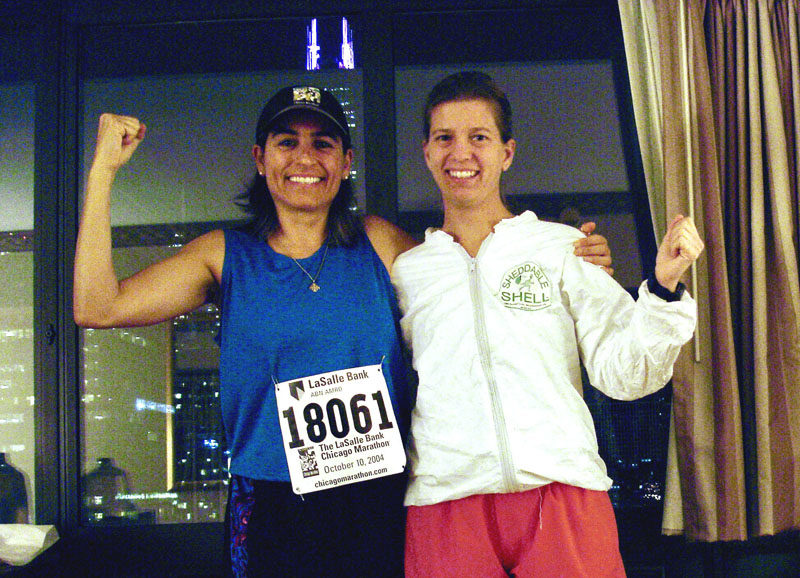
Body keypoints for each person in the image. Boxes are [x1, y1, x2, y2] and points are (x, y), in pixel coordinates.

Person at [73, 84, 612, 577]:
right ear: (261, 159)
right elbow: (97, 306)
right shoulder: (226, 255)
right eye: (287, 142)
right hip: (272, 501)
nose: (305, 158)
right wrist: (102, 173)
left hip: (376, 498)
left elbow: (473, 285)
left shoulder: (379, 243)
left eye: (324, 143)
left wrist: (567, 260)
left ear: (346, 162)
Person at [391, 71, 704, 577]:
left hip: (564, 492)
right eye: (445, 137)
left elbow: (624, 373)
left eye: (479, 137)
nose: (461, 153)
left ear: (507, 152)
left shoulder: (562, 247)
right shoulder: (407, 273)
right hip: (445, 501)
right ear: (426, 151)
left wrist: (664, 289)